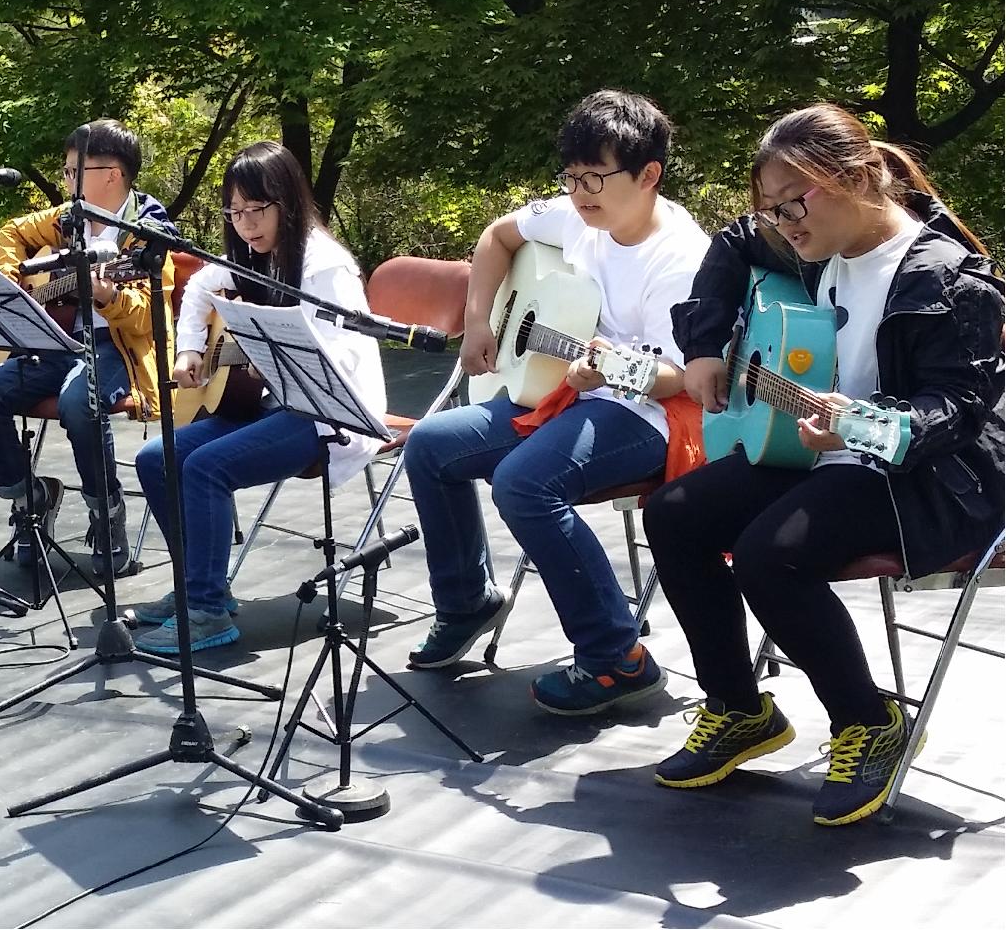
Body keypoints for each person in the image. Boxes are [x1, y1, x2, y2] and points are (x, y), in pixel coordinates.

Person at [644, 103, 1002, 826]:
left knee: (767, 556)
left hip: (930, 476)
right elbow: (732, 243)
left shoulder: (950, 278)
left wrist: (866, 427)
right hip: (828, 448)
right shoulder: (810, 243)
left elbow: (958, 411)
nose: (783, 224)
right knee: (675, 514)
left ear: (857, 178)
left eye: (794, 203)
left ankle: (869, 724)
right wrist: (707, 346)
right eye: (774, 210)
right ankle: (740, 709)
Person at [399, 89, 710, 714]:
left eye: (595, 176)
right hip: (560, 386)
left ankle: (615, 656)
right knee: (430, 444)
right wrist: (481, 319)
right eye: (570, 177)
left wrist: (609, 375)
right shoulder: (577, 215)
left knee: (523, 483)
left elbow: (677, 379)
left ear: (649, 174)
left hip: (645, 411)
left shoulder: (681, 258)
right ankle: (467, 603)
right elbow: (496, 236)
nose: (580, 191)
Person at [129, 140, 387, 653]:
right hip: (272, 404)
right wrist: (190, 349)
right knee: (156, 458)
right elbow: (200, 287)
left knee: (205, 468)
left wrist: (266, 358)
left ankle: (206, 613)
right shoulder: (251, 255)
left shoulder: (324, 269)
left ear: (287, 202)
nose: (245, 224)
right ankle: (201, 588)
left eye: (257, 209)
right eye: (235, 211)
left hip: (328, 415)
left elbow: (334, 364)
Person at [0, 118, 175, 574]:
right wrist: (13, 287)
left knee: (78, 401)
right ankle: (30, 498)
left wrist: (109, 296)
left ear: (112, 175)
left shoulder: (149, 233)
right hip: (57, 341)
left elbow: (148, 318)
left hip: (118, 349)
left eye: (72, 173)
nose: (66, 182)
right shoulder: (67, 218)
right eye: (65, 173)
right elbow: (12, 231)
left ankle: (108, 513)